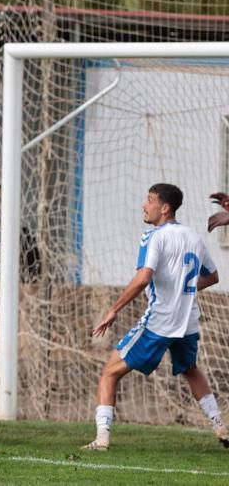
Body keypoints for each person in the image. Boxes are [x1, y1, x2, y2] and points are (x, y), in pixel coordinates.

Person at [83, 183, 228, 451]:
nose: (144, 205)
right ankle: (219, 424)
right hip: (188, 321)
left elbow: (143, 278)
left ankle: (102, 438)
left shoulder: (154, 236)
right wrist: (182, 289)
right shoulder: (194, 237)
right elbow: (213, 276)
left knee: (109, 373)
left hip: (159, 321)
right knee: (190, 369)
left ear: (164, 208)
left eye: (149, 200)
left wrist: (114, 309)